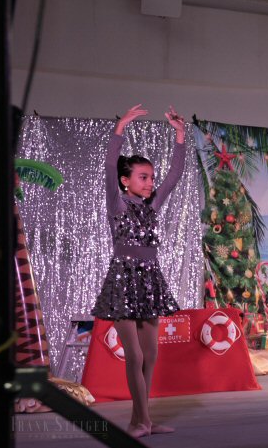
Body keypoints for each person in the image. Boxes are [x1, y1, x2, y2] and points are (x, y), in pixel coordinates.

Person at [91, 104, 188, 437]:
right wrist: (120, 129)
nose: (150, 183)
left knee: (151, 354)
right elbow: (109, 165)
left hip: (149, 280)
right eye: (143, 178)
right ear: (125, 181)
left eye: (150, 178)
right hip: (123, 280)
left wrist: (180, 136)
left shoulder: (152, 205)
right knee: (133, 355)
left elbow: (174, 176)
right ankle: (140, 421)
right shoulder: (117, 203)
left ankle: (142, 420)